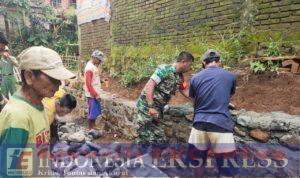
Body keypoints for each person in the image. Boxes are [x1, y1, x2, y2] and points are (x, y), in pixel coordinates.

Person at [0, 46, 75, 177]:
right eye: (53, 78)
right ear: (29, 76)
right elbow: (8, 171)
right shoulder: (17, 116)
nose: (58, 84)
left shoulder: (40, 105)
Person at [188, 49, 238, 177]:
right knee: (227, 167)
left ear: (204, 62)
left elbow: (195, 100)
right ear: (219, 61)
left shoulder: (195, 78)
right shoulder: (230, 76)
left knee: (197, 162)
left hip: (198, 124)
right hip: (221, 124)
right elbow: (227, 95)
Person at [134, 51, 194, 144]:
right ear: (183, 62)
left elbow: (184, 90)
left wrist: (196, 99)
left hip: (158, 110)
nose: (190, 68)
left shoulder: (180, 77)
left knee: (158, 137)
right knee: (143, 135)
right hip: (146, 107)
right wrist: (150, 106)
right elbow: (149, 85)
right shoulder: (164, 69)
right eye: (189, 65)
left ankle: (152, 155)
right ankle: (142, 156)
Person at [84, 50, 104, 129]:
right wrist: (95, 95)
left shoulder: (93, 66)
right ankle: (91, 128)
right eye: (99, 60)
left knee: (94, 111)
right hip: (92, 94)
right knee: (92, 112)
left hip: (94, 93)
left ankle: (92, 127)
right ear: (94, 58)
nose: (100, 62)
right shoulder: (89, 68)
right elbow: (88, 84)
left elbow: (93, 79)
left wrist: (101, 81)